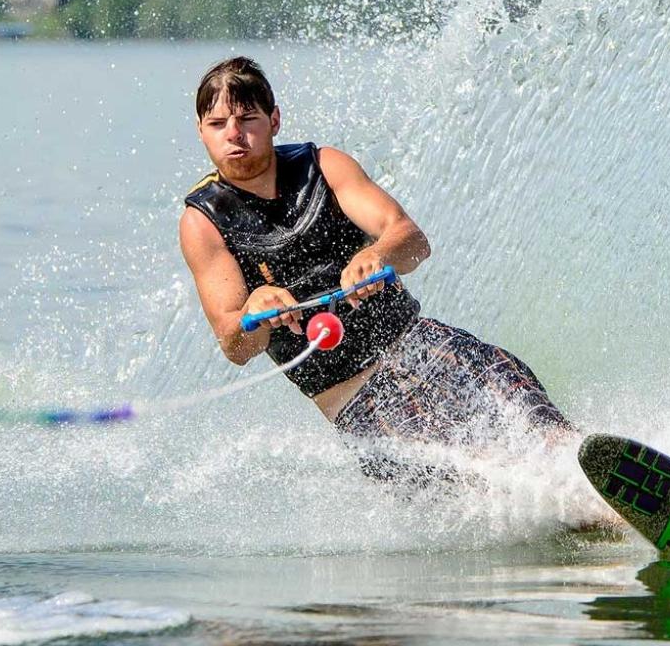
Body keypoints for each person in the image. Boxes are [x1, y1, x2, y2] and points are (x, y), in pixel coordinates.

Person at [178, 55, 575, 453]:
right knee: (469, 460)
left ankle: (584, 472)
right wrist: (252, 313)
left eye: (248, 119)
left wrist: (380, 254)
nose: (234, 134)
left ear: (274, 121)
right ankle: (541, 503)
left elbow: (413, 242)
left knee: (512, 390)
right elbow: (236, 348)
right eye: (217, 124)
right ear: (201, 131)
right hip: (357, 399)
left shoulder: (324, 166)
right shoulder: (203, 223)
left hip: (420, 346)